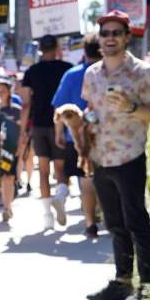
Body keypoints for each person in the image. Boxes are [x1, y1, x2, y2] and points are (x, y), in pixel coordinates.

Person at [81, 10, 150, 300]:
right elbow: (91, 110)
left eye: (117, 33)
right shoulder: (91, 74)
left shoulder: (143, 72)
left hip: (130, 156)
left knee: (136, 222)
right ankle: (122, 281)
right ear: (99, 39)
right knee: (115, 224)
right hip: (101, 158)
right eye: (105, 33)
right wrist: (84, 126)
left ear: (127, 37)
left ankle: (149, 288)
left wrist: (131, 107)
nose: (110, 38)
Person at [51, 33, 103, 238]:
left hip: (77, 138)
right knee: (105, 178)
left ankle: (90, 223)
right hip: (106, 136)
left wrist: (59, 133)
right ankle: (106, 215)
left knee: (86, 179)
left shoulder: (72, 75)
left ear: (85, 52)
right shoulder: (108, 73)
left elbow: (59, 107)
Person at [19, 34, 73, 228]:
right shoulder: (67, 68)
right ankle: (60, 197)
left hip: (39, 125)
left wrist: (23, 130)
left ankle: (47, 216)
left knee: (42, 171)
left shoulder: (32, 71)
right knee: (60, 169)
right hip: (61, 124)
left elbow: (26, 104)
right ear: (57, 48)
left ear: (40, 49)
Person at [0, 77, 23, 223]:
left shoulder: (16, 110)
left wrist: (21, 147)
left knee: (8, 177)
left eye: (3, 90)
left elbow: (22, 130)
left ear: (9, 92)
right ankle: (2, 200)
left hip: (10, 149)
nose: (0, 93)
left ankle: (7, 207)